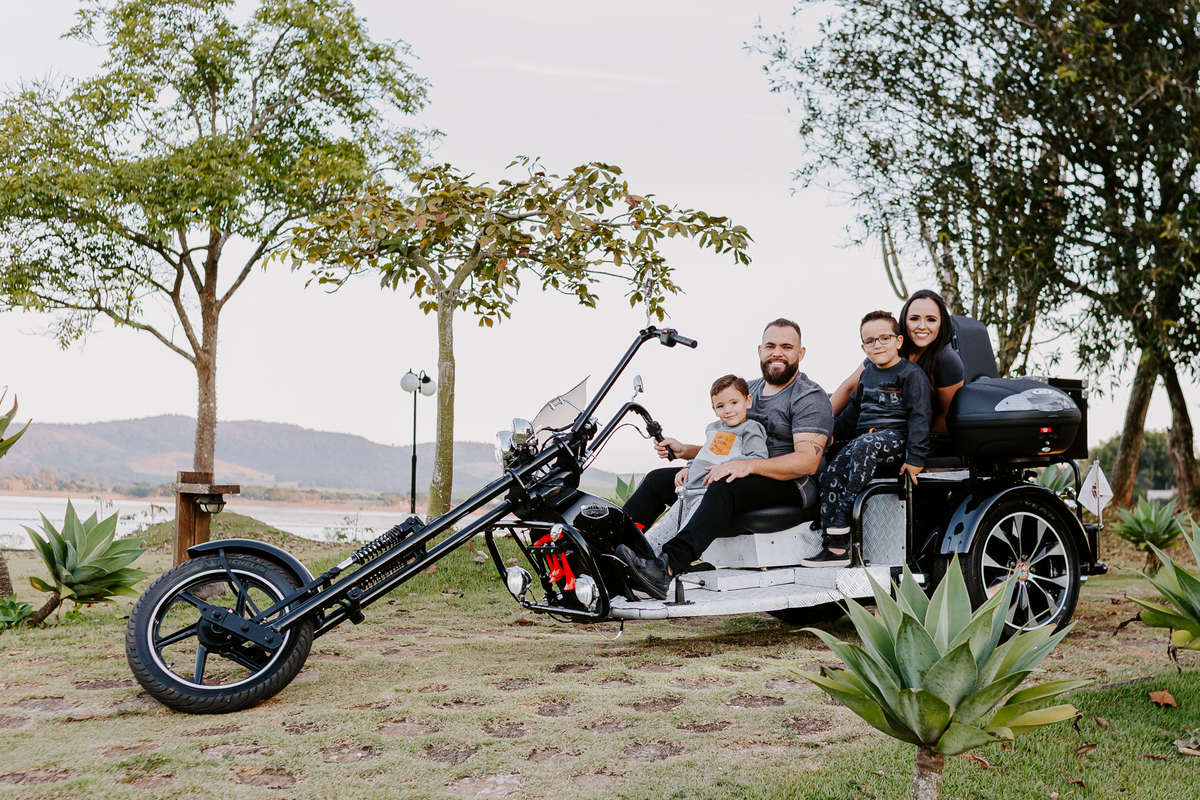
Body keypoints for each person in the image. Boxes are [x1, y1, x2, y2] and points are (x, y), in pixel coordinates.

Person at [616, 319, 834, 599]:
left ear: (800, 353)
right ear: (760, 350)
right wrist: (687, 452)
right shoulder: (746, 391)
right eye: (770, 346)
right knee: (659, 480)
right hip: (745, 470)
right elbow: (726, 445)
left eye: (787, 347)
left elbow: (807, 462)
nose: (777, 352)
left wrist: (746, 465)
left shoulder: (808, 397)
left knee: (723, 484)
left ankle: (666, 567)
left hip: (793, 483)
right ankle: (611, 552)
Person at [801, 310, 931, 568]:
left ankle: (844, 513)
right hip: (864, 441)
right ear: (863, 347)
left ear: (899, 341)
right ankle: (836, 547)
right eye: (870, 341)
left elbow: (920, 416)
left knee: (864, 445)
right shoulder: (867, 374)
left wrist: (916, 457)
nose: (877, 345)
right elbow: (852, 413)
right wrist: (828, 435)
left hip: (895, 440)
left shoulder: (910, 374)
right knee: (830, 473)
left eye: (884, 338)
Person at [642, 375, 769, 556]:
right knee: (662, 531)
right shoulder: (713, 427)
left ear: (748, 401)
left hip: (707, 494)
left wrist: (726, 466)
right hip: (689, 491)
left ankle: (667, 563)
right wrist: (688, 466)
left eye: (734, 403)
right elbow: (706, 453)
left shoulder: (750, 428)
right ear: (714, 409)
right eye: (721, 406)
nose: (728, 410)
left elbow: (758, 457)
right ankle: (641, 560)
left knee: (684, 533)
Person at [830, 289, 964, 435]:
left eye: (931, 320)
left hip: (919, 440)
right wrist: (820, 423)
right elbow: (850, 388)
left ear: (941, 324)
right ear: (904, 320)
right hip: (873, 433)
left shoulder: (947, 360)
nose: (922, 326)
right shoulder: (888, 347)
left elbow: (945, 416)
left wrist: (916, 448)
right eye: (914, 319)